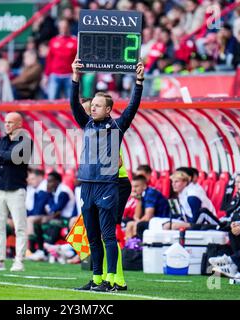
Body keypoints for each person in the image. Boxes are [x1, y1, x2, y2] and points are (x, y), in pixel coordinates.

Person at [71, 57, 145, 292]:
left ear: (109, 109)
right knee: (93, 237)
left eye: (98, 105)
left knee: (108, 236)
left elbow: (133, 106)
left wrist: (139, 81)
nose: (93, 108)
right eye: (92, 105)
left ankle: (111, 280)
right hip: (87, 186)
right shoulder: (87, 124)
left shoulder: (117, 126)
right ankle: (96, 279)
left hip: (107, 186)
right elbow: (74, 105)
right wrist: (75, 77)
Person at [0, 112, 33, 272]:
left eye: (11, 122)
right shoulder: (1, 140)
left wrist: (1, 156)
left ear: (19, 124)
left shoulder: (26, 141)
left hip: (16, 189)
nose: (7, 125)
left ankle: (19, 261)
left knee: (20, 226)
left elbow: (14, 157)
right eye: (6, 122)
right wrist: (5, 156)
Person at [210, 178, 240, 277]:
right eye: (239, 188)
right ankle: (239, 267)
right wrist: (238, 224)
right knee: (234, 231)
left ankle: (232, 261)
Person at [125, 175, 170, 240]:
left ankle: (138, 248)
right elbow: (136, 216)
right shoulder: (142, 194)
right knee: (129, 224)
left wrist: (137, 222)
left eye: (136, 186)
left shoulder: (150, 193)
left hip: (162, 220)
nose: (133, 189)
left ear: (144, 186)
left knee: (136, 225)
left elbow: (148, 217)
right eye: (132, 186)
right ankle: (130, 247)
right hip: (154, 220)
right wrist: (139, 200)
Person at [44, 19, 77, 100]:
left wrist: (77, 74)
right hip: (55, 75)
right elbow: (49, 59)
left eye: (65, 27)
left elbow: (78, 58)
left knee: (71, 100)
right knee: (52, 99)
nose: (63, 29)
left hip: (69, 75)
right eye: (61, 27)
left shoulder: (75, 40)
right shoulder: (53, 41)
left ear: (69, 27)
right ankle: (51, 113)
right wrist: (46, 75)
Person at [25, 169, 49, 261]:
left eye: (32, 179)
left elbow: (39, 210)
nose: (30, 181)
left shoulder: (43, 189)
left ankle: (31, 249)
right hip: (40, 215)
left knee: (31, 220)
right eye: (29, 179)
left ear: (40, 177)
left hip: (49, 216)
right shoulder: (33, 189)